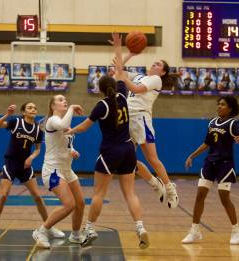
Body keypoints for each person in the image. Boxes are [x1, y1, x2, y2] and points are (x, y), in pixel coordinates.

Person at [66, 33, 149, 249]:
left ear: (100, 88)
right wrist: (120, 49)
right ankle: (140, 227)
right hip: (128, 149)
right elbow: (120, 70)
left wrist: (70, 131)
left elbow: (85, 126)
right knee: (130, 192)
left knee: (99, 193)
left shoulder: (102, 105)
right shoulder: (122, 96)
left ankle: (90, 228)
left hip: (110, 151)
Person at [112, 35, 179, 208]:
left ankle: (170, 188)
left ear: (163, 72)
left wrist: (121, 74)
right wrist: (128, 53)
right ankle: (155, 184)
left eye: (158, 64)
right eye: (154, 62)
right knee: (127, 159)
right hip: (128, 118)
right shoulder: (138, 75)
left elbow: (134, 88)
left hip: (141, 119)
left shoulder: (155, 80)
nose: (154, 64)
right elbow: (115, 70)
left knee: (152, 158)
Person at [0, 102, 64, 240]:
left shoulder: (38, 130)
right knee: (3, 195)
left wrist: (31, 157)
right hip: (10, 163)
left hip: (25, 167)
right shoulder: (16, 122)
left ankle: (49, 227)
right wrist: (7, 114)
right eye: (30, 107)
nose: (33, 109)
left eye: (35, 107)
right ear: (23, 112)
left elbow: (38, 149)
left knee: (38, 197)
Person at [182, 96, 239, 245]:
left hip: (225, 164)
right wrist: (191, 156)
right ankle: (194, 231)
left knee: (224, 198)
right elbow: (206, 144)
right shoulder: (212, 122)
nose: (219, 106)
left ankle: (236, 231)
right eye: (218, 104)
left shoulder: (233, 123)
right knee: (200, 195)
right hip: (210, 163)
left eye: (222, 104)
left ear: (230, 108)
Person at [32, 96, 85, 248]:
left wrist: (73, 151)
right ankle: (41, 231)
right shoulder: (53, 120)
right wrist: (72, 107)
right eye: (61, 100)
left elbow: (66, 143)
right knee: (69, 205)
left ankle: (75, 235)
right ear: (53, 105)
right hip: (53, 170)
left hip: (67, 170)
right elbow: (63, 124)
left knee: (80, 203)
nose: (65, 101)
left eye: (66, 100)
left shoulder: (63, 124)